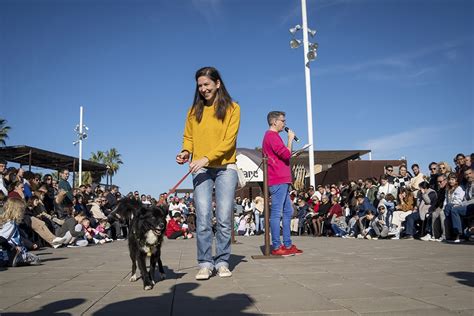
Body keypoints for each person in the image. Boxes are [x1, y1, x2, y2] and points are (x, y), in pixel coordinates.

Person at [176, 66, 240, 280]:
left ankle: (222, 261)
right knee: (203, 216)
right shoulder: (193, 111)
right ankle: (205, 262)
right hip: (200, 167)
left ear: (218, 84)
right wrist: (185, 152)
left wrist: (205, 157)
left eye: (207, 84)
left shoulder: (233, 108)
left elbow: (229, 143)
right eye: (200, 85)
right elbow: (189, 138)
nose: (203, 89)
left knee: (223, 217)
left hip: (225, 167)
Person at [262, 110, 303, 256]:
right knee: (277, 212)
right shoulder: (272, 136)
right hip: (278, 179)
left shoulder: (273, 137)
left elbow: (283, 155)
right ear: (274, 122)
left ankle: (287, 243)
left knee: (287, 211)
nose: (285, 124)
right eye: (283, 121)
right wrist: (290, 140)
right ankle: (277, 245)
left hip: (282, 179)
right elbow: (285, 154)